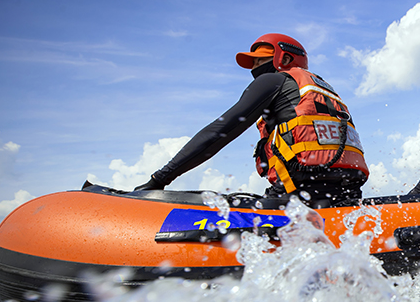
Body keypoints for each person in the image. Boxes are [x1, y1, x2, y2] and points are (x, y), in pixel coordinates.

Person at [134, 33, 369, 206]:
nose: (254, 68)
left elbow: (221, 130)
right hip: (345, 194)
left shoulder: (274, 80)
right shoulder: (320, 90)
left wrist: (160, 179)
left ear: (284, 59)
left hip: (299, 196)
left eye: (260, 60)